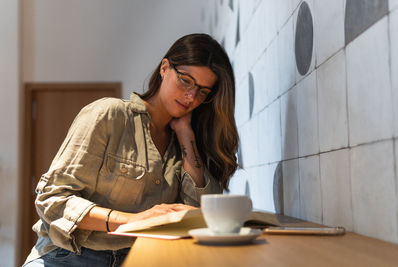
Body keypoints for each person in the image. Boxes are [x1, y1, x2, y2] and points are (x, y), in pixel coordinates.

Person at [23, 33, 239, 266]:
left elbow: (198, 213)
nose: (191, 96)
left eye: (203, 91)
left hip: (141, 258)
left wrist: (186, 134)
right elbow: (52, 198)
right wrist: (135, 220)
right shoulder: (109, 115)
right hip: (70, 255)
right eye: (186, 80)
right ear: (165, 68)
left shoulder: (187, 142)